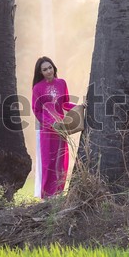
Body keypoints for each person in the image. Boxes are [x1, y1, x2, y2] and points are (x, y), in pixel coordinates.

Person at [32, 57, 83, 199]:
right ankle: (47, 195)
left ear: (54, 67)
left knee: (61, 159)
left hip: (61, 129)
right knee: (48, 161)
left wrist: (79, 107)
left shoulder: (61, 83)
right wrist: (50, 123)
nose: (48, 71)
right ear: (40, 72)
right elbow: (37, 110)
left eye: (50, 68)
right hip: (46, 130)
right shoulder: (37, 88)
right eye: (45, 69)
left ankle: (59, 193)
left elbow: (65, 103)